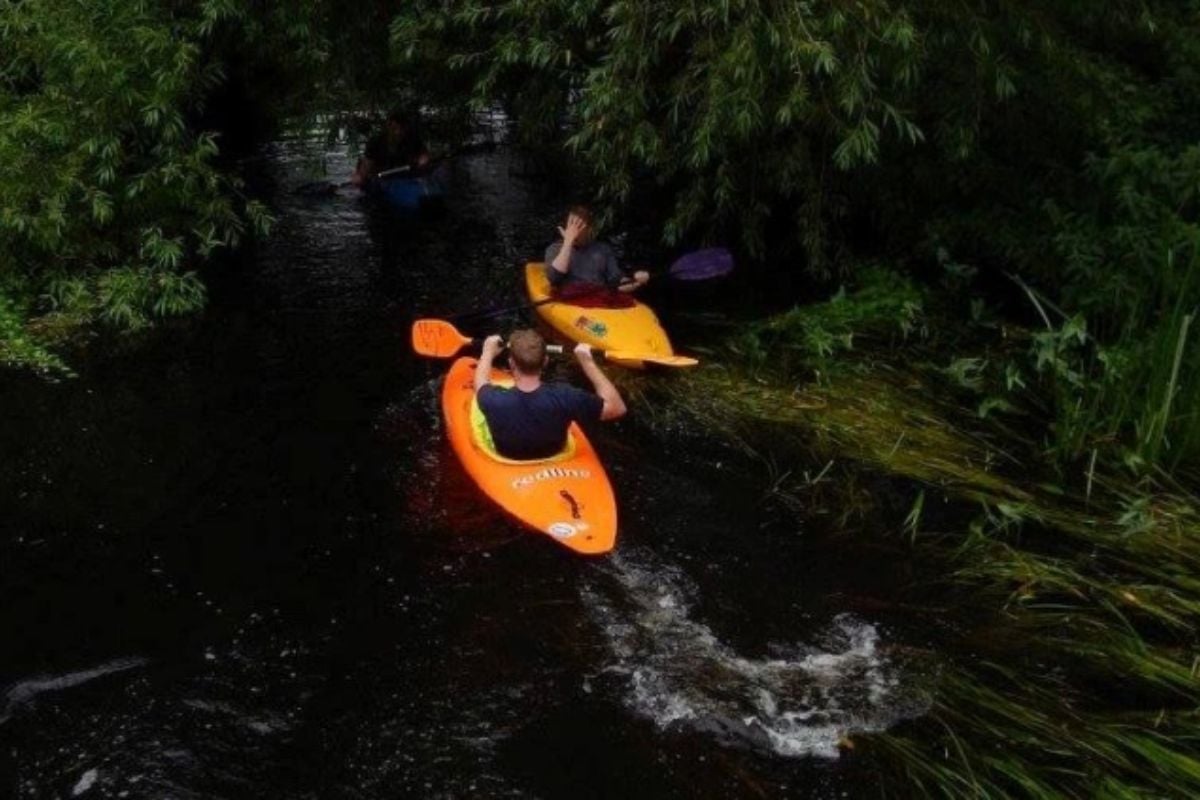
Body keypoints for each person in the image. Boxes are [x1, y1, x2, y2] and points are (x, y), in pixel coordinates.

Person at [474, 329, 626, 461]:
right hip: (555, 455)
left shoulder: (493, 399)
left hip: (509, 457)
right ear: (545, 361)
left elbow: (480, 381)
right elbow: (617, 408)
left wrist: (487, 352)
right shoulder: (566, 396)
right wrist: (587, 362)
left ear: (511, 363)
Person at [544, 205, 650, 296]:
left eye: (580, 226)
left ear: (589, 229)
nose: (575, 231)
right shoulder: (554, 249)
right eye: (571, 225)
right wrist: (568, 242)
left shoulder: (603, 250)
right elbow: (554, 278)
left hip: (598, 303)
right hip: (568, 303)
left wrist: (636, 282)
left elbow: (617, 283)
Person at [350, 109, 431, 187]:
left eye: (402, 129)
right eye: (394, 129)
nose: (398, 132)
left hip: (405, 177)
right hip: (381, 177)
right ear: (388, 127)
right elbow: (367, 164)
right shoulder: (376, 142)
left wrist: (423, 161)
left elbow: (424, 155)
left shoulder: (412, 140)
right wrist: (360, 176)